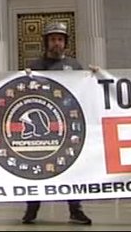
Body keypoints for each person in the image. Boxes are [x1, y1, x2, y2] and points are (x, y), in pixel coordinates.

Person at [20, 21, 95, 226]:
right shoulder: (34, 67)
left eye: (60, 39)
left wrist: (94, 77)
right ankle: (32, 207)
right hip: (43, 125)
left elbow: (85, 92)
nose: (56, 43)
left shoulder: (75, 66)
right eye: (52, 39)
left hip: (68, 124)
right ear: (46, 42)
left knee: (72, 166)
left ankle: (75, 208)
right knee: (38, 165)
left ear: (65, 43)